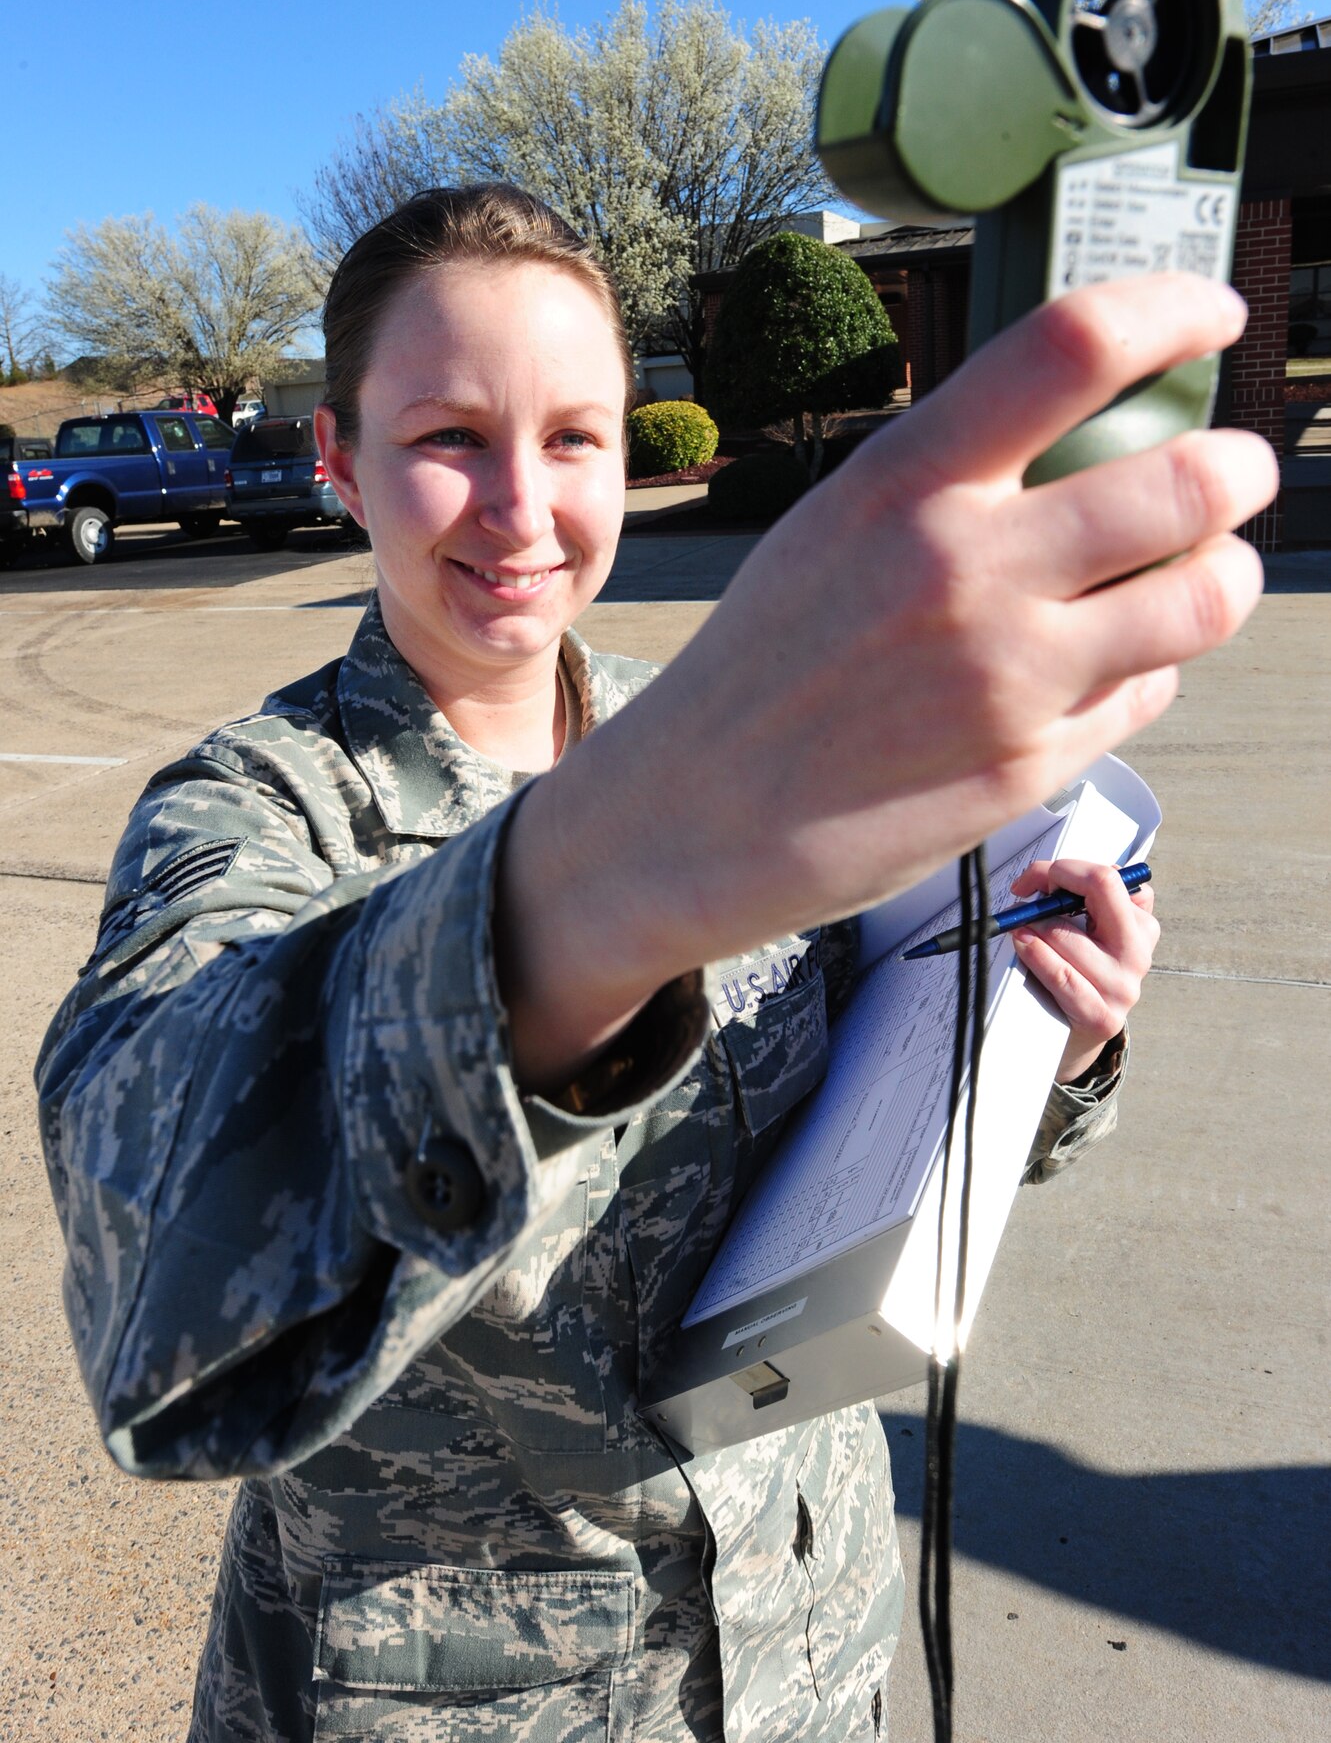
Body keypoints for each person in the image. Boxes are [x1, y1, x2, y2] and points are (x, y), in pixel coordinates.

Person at [35, 185, 1274, 1742]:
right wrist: (587, 895)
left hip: (797, 1652)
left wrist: (1046, 1037)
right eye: (449, 439)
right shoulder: (261, 804)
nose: (521, 507)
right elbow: (152, 1234)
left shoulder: (721, 738)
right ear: (339, 462)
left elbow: (872, 1130)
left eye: (574, 437)